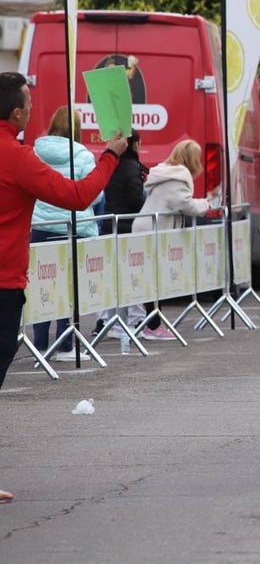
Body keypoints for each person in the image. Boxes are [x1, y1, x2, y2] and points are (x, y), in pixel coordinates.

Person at [0, 72, 126, 507]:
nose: (33, 109)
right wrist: (110, 155)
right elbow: (76, 196)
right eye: (29, 103)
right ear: (16, 113)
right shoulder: (15, 157)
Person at [29, 107, 102, 361]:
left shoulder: (35, 151)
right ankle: (65, 344)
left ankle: (39, 344)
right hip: (73, 227)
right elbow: (96, 193)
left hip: (39, 227)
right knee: (68, 289)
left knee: (43, 286)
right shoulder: (82, 154)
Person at [127, 139, 211, 340]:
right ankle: (152, 326)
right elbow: (185, 205)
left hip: (144, 227)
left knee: (148, 279)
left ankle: (147, 323)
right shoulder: (176, 179)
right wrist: (207, 203)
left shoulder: (165, 174)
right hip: (153, 231)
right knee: (155, 280)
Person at [93, 132, 147, 337]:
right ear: (135, 144)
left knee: (110, 277)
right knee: (132, 276)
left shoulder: (110, 163)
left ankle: (105, 320)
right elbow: (135, 199)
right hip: (127, 227)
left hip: (107, 224)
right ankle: (133, 320)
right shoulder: (132, 167)